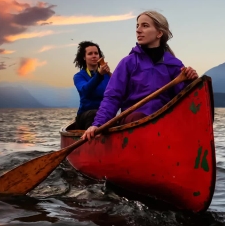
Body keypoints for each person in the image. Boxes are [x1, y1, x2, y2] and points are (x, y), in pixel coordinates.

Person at [81, 11, 198, 140]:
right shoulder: (128, 63)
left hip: (164, 121)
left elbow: (182, 99)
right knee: (139, 118)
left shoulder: (174, 65)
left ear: (159, 33)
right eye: (137, 26)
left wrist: (190, 81)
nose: (138, 30)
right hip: (134, 120)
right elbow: (112, 97)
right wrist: (98, 124)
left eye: (145, 26)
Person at [71, 41, 111, 130]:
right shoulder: (79, 76)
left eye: (96, 53)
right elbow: (85, 90)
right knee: (94, 114)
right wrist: (99, 75)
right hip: (86, 116)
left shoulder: (108, 76)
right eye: (90, 54)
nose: (94, 56)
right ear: (84, 57)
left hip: (105, 114)